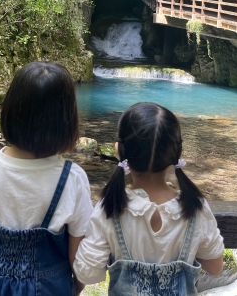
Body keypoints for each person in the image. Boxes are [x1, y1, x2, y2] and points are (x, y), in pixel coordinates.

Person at [0, 61, 93, 295]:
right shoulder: (72, 178)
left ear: (11, 112)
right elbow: (78, 251)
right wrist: (75, 287)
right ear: (66, 121)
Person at [73, 102, 224, 295]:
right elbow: (215, 267)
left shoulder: (110, 208)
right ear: (176, 153)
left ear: (119, 151)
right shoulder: (195, 207)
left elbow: (88, 274)